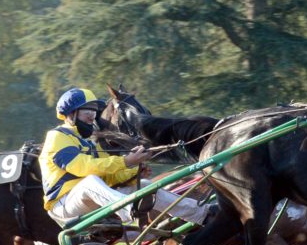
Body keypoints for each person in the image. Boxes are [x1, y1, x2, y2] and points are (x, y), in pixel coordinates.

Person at [39, 87, 210, 227]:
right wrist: (126, 161)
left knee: (145, 186)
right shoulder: (57, 136)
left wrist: (134, 169)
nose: (92, 114)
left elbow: (109, 179)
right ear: (71, 113)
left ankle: (202, 213)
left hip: (90, 200)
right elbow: (83, 167)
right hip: (63, 206)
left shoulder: (90, 143)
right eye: (87, 110)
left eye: (94, 110)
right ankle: (125, 209)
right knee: (90, 181)